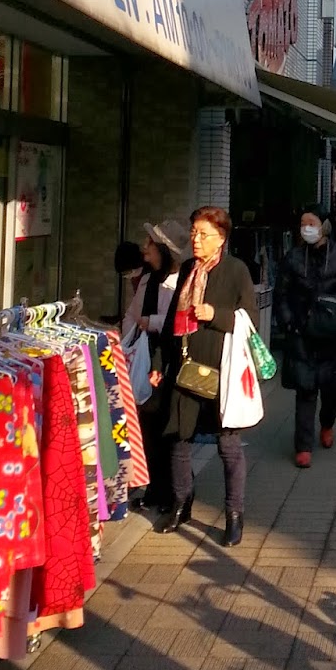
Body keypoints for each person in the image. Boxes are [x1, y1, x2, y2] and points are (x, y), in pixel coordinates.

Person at [155, 207, 257, 547]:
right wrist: (160, 362)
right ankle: (181, 503)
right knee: (178, 439)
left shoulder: (236, 270)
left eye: (204, 235)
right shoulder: (187, 269)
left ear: (222, 239)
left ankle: (234, 514)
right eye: (194, 233)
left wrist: (216, 315)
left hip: (222, 369)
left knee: (228, 446)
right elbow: (172, 320)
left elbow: (250, 320)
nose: (196, 240)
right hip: (184, 367)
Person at [274, 205, 336, 468]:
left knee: (332, 388)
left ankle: (327, 423)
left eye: (312, 223)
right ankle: (303, 446)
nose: (307, 228)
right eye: (303, 223)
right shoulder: (293, 257)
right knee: (305, 390)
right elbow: (280, 294)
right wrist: (288, 322)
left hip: (334, 332)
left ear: (324, 226)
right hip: (302, 332)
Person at [125, 219, 184, 512]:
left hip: (167, 359)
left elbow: (182, 321)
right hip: (143, 357)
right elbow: (132, 317)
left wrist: (155, 323)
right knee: (146, 423)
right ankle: (152, 487)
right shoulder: (148, 279)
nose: (145, 248)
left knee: (163, 425)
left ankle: (169, 490)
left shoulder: (180, 282)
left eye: (150, 243)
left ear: (163, 249)